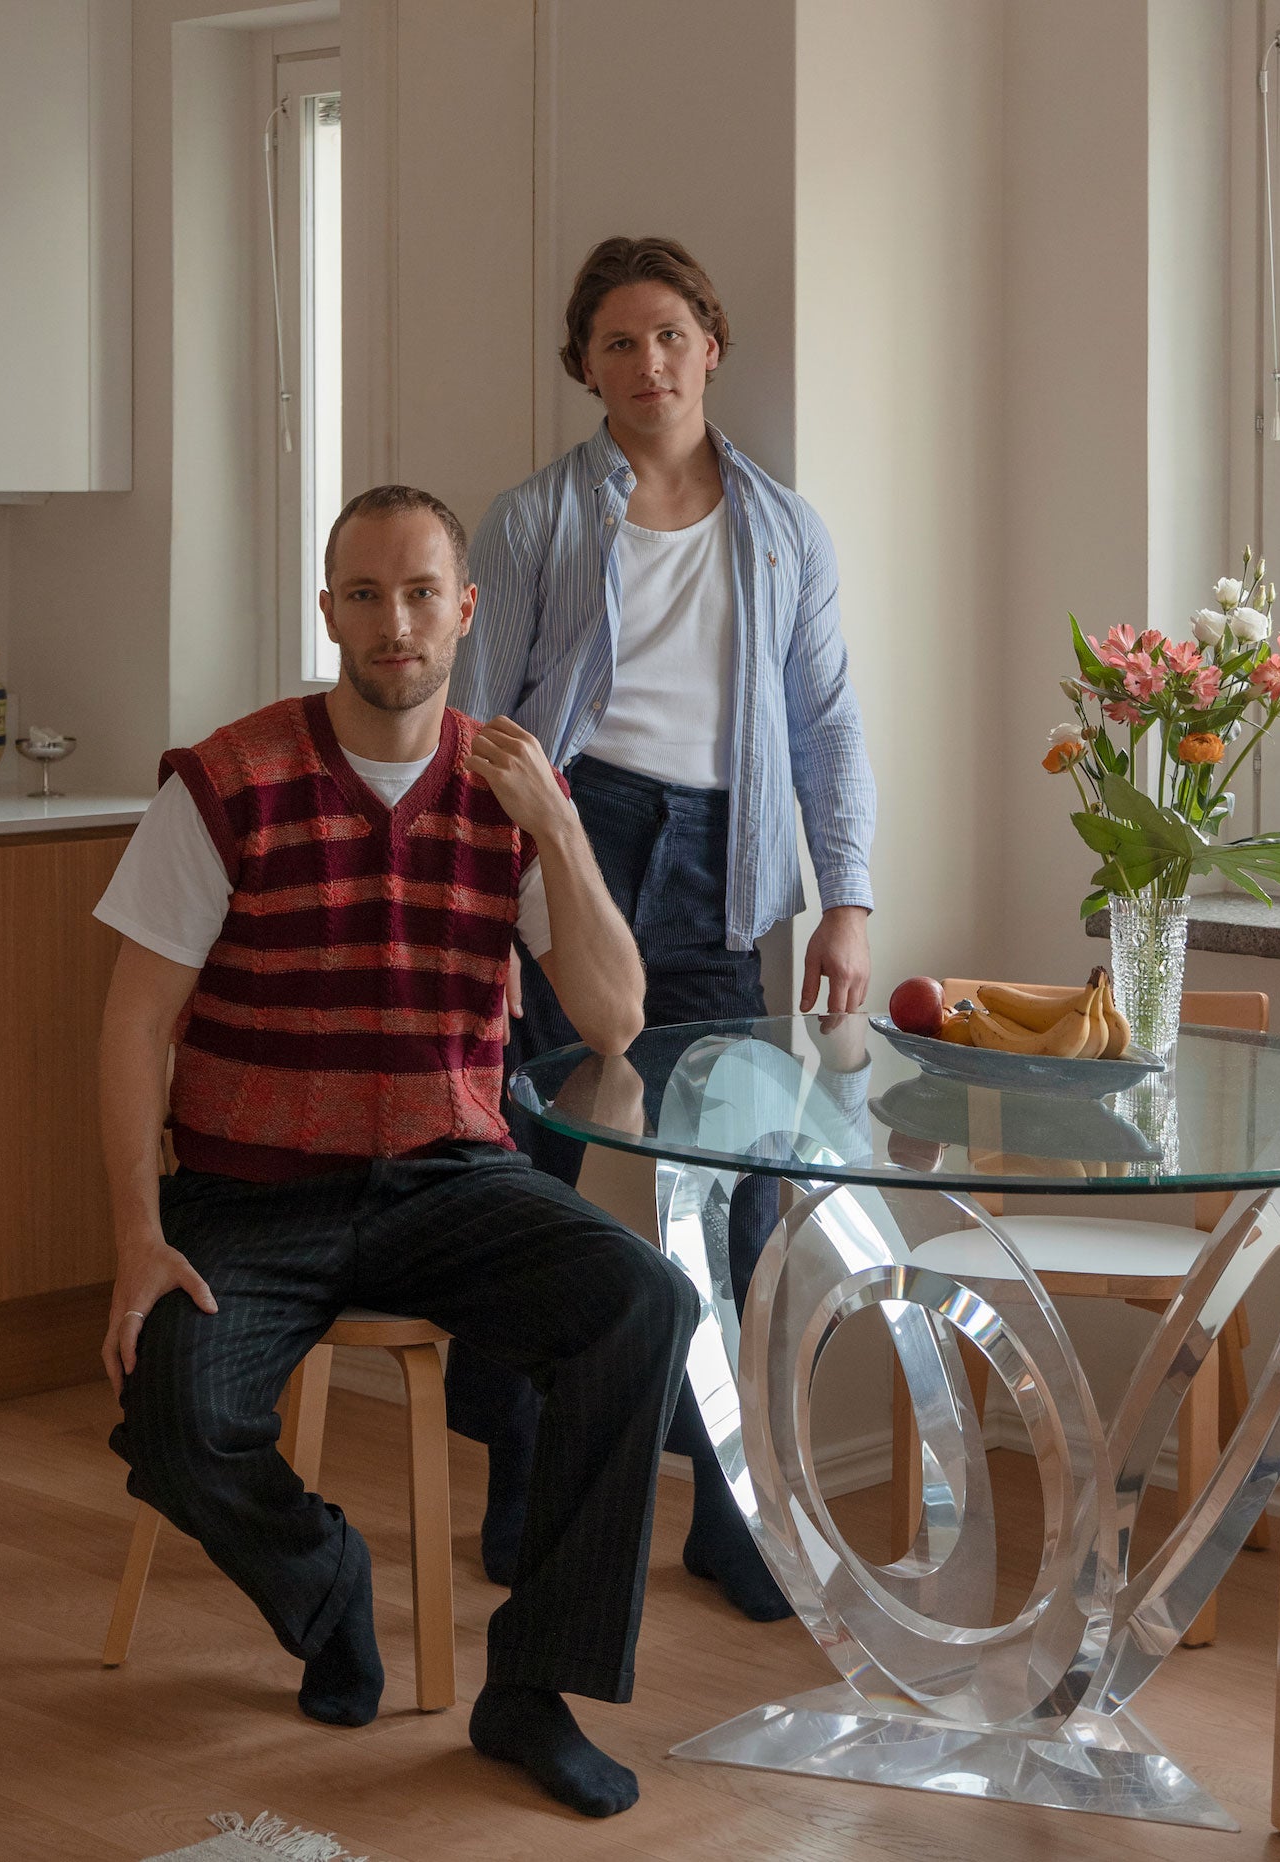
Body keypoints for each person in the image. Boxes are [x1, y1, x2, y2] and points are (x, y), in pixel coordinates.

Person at [92, 483, 700, 1820]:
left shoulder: (507, 788)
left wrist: (559, 826)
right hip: (252, 1191)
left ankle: (530, 1691)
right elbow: (134, 1027)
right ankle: (327, 1588)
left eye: (421, 594)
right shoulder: (227, 783)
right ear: (329, 611)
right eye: (364, 595)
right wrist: (139, 1236)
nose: (394, 623)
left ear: (463, 610)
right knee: (175, 1407)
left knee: (644, 1303)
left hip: (448, 1177)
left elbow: (614, 1019)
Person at [445, 235, 877, 1620]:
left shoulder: (783, 529)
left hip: (719, 864)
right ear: (585, 366)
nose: (649, 364)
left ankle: (734, 1510)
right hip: (570, 844)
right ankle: (521, 1479)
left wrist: (846, 897)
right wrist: (483, 896)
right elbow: (477, 721)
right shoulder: (533, 520)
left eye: (671, 335)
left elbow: (824, 724)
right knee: (532, 1174)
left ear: (712, 346)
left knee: (740, 1191)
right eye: (618, 343)